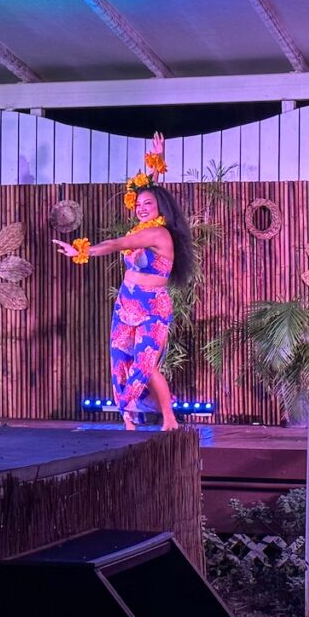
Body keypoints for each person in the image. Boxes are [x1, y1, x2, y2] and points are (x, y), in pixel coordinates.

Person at [53, 133, 195, 430]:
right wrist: (156, 163)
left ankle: (167, 419)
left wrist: (83, 250)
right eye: (139, 204)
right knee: (121, 362)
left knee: (145, 364)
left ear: (161, 209)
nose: (142, 208)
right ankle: (132, 422)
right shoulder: (144, 226)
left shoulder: (157, 234)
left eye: (148, 204)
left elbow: (118, 243)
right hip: (126, 303)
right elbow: (150, 191)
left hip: (152, 307)